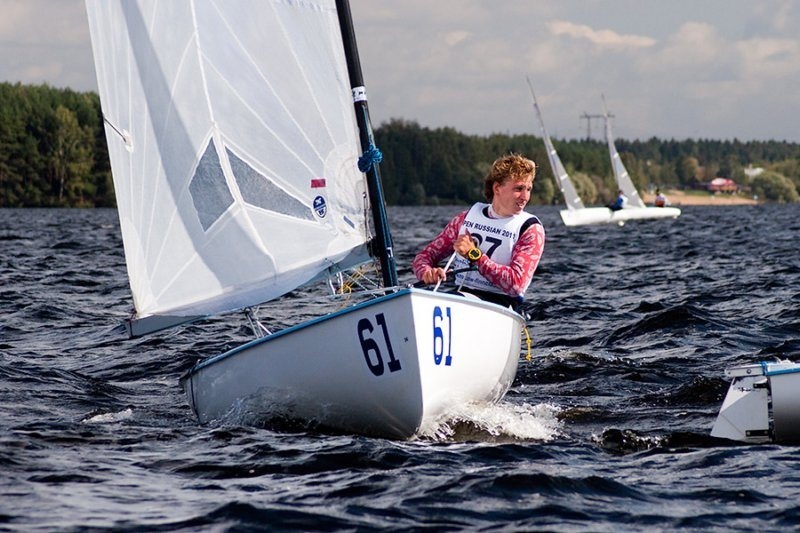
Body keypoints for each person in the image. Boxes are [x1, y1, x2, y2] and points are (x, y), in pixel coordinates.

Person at [412, 153, 545, 309]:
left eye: (528, 189)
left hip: (501, 305)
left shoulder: (530, 230)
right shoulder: (464, 219)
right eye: (519, 189)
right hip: (462, 297)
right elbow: (423, 257)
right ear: (497, 188)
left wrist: (473, 254)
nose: (525, 197)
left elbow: (516, 284)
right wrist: (427, 273)